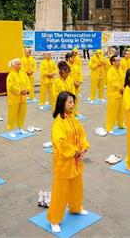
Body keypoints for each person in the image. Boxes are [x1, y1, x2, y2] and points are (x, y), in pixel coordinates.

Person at [46, 91, 90, 234]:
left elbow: (82, 135)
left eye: (73, 102)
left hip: (76, 162)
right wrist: (74, 151)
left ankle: (75, 207)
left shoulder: (73, 119)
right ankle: (54, 219)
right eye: (69, 102)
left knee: (77, 186)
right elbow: (60, 143)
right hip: (64, 163)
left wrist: (84, 147)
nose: (72, 105)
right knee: (60, 192)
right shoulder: (58, 123)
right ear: (62, 103)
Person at [6, 58, 31, 137]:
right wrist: (20, 91)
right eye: (18, 64)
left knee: (22, 113)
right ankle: (10, 130)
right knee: (12, 114)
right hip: (14, 98)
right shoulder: (11, 75)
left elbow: (28, 83)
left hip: (23, 98)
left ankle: (20, 128)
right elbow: (10, 86)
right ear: (13, 65)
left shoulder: (23, 73)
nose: (20, 65)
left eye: (20, 64)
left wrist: (26, 90)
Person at [105, 55, 125, 133]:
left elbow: (123, 79)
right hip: (113, 94)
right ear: (113, 62)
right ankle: (109, 127)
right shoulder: (111, 71)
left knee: (121, 111)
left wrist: (124, 87)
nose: (119, 62)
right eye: (117, 60)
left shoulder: (120, 69)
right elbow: (113, 82)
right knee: (112, 112)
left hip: (121, 93)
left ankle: (120, 124)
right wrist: (120, 88)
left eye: (119, 60)